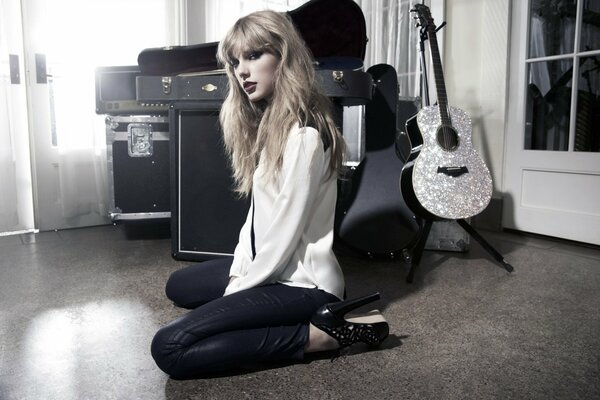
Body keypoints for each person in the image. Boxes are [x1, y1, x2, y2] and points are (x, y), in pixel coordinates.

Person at [151, 10, 389, 379]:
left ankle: (317, 335)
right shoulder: (273, 126)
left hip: (304, 283)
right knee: (178, 285)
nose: (242, 70)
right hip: (274, 267)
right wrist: (240, 269)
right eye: (235, 61)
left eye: (254, 55)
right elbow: (256, 219)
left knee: (169, 347)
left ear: (284, 57)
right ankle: (259, 311)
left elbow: (283, 233)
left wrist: (241, 290)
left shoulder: (304, 136)